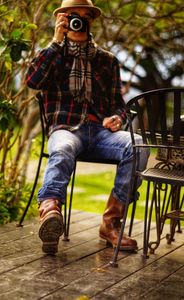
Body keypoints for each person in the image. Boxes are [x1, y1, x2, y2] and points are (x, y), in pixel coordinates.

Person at [26, 0, 149, 255]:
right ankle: (50, 213)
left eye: (85, 16)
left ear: (91, 21)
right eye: (73, 16)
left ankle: (111, 223)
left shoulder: (107, 60)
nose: (79, 21)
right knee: (62, 148)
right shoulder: (53, 54)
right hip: (66, 129)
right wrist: (54, 42)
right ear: (63, 19)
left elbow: (119, 105)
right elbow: (32, 81)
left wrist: (117, 118)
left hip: (102, 133)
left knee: (137, 144)